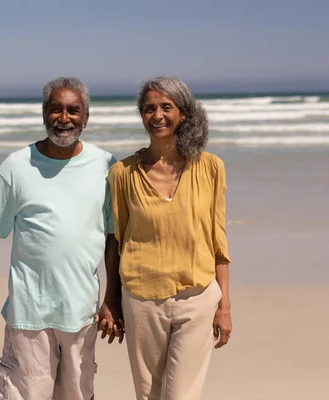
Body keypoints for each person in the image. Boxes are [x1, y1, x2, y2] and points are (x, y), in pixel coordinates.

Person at [0, 77, 117, 400]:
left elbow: (114, 239)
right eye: (56, 109)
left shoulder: (106, 167)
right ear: (44, 114)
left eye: (72, 111)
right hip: (28, 315)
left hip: (82, 312)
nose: (63, 118)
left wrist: (112, 298)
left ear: (86, 118)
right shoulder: (16, 166)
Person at [98, 76, 233, 400]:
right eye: (149, 109)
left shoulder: (210, 167)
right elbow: (117, 239)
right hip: (141, 301)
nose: (156, 115)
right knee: (149, 395)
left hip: (197, 298)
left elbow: (218, 239)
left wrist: (224, 304)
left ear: (183, 113)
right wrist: (111, 299)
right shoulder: (123, 174)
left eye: (165, 107)